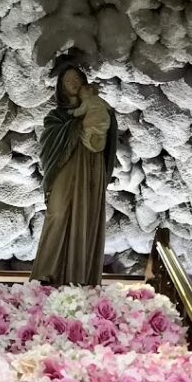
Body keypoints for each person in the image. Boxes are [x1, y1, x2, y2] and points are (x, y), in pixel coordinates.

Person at [30, 59, 118, 288]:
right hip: (66, 165)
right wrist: (78, 124)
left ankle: (80, 277)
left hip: (90, 164)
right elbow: (50, 143)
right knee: (57, 212)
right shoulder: (56, 117)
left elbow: (107, 129)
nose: (74, 83)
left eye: (77, 79)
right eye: (68, 80)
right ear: (61, 87)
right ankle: (45, 273)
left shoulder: (97, 103)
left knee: (86, 215)